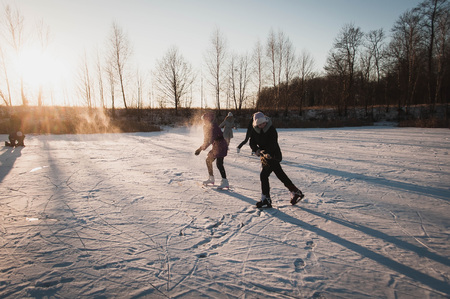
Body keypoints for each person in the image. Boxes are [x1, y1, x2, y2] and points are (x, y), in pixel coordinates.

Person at [249, 112, 304, 208]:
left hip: (273, 155)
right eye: (260, 124)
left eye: (263, 123)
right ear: (256, 124)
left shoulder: (271, 129)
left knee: (264, 175)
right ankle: (295, 192)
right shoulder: (254, 131)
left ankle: (266, 198)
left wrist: (267, 153)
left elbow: (273, 143)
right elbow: (252, 142)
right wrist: (256, 150)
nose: (262, 125)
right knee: (279, 174)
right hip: (264, 157)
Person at [195, 111, 229, 189]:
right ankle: (211, 179)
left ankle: (225, 182)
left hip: (220, 145)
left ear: (208, 119)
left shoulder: (213, 127)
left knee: (219, 164)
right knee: (208, 160)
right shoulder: (206, 126)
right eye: (203, 119)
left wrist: (200, 149)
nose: (203, 121)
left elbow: (209, 140)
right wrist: (201, 148)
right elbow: (206, 139)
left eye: (204, 119)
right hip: (216, 145)